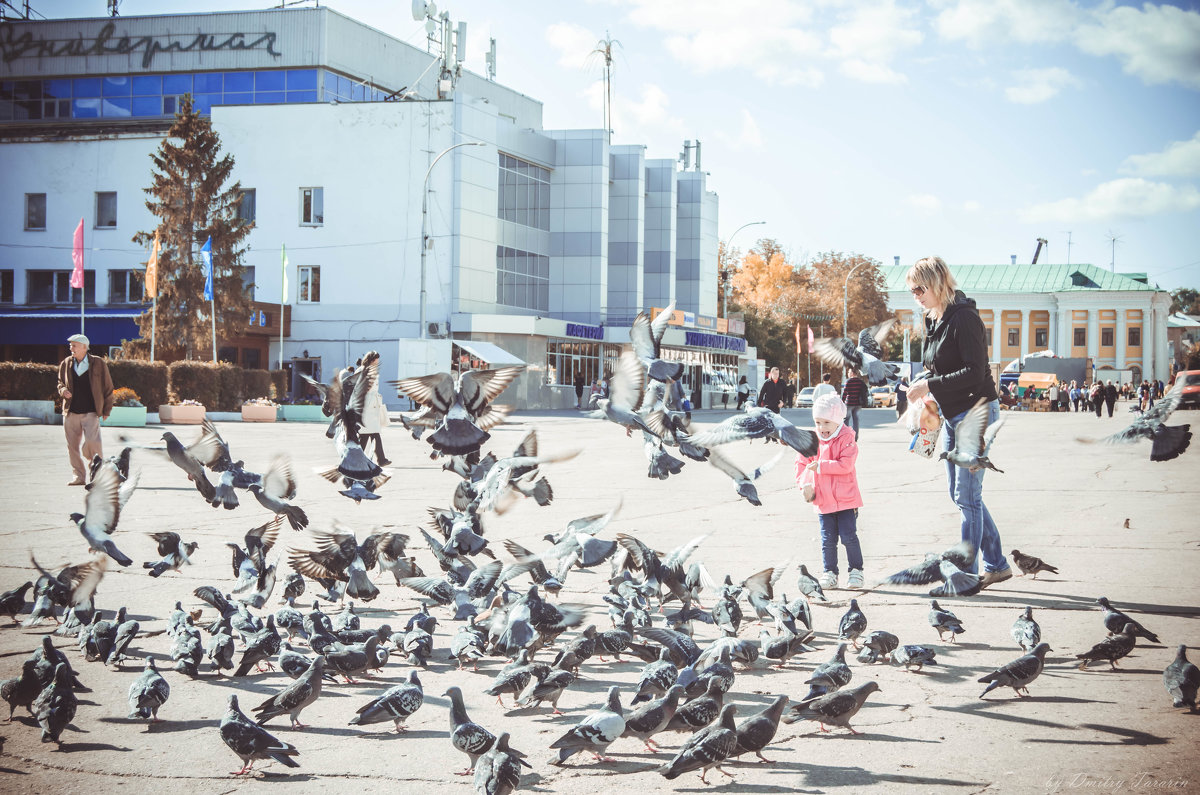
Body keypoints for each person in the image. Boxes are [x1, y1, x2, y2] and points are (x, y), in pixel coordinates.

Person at [903, 256, 1011, 589]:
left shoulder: (964, 318)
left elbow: (975, 372)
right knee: (960, 493)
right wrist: (924, 382)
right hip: (950, 415)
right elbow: (936, 365)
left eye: (920, 289)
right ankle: (997, 565)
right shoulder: (932, 318)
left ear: (936, 283)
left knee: (966, 495)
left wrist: (930, 385)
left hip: (976, 413)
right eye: (912, 291)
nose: (916, 296)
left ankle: (966, 575)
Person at [795, 393, 864, 590]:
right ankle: (830, 572)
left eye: (826, 422)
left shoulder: (847, 438)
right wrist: (804, 485)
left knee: (849, 536)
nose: (822, 427)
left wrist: (821, 466)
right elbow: (801, 465)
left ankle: (856, 571)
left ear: (837, 421)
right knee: (827, 540)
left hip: (846, 499)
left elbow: (846, 465)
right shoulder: (810, 441)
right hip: (823, 500)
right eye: (818, 422)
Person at [56, 333, 114, 486]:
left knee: (93, 444)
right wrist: (62, 391)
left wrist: (107, 410)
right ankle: (79, 477)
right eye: (70, 345)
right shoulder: (66, 363)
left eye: (74, 345)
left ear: (84, 347)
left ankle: (97, 476)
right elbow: (60, 383)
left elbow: (108, 387)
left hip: (91, 412)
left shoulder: (98, 363)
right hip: (71, 412)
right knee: (72, 447)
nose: (71, 348)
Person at [359, 375, 391, 467]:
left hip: (371, 411)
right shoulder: (364, 372)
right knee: (365, 437)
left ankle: (381, 459)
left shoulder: (371, 372)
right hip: (368, 410)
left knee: (369, 437)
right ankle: (381, 460)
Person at [840, 368, 868, 440]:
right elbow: (865, 392)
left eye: (849, 372)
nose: (848, 373)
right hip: (858, 404)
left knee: (846, 420)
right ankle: (855, 437)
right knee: (856, 420)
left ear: (852, 373)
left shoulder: (848, 381)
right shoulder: (861, 382)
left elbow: (845, 393)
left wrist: (841, 402)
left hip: (849, 403)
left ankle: (845, 437)